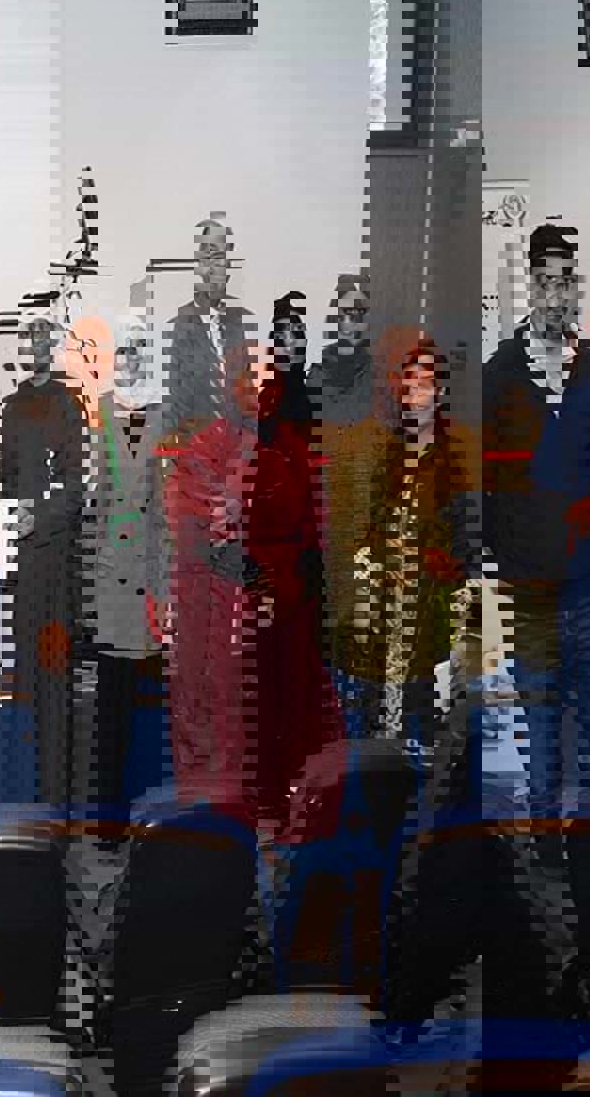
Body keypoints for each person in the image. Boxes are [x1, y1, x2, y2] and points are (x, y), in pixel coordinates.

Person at [481, 223, 590, 817]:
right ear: (529, 288)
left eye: (565, 283)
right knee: (541, 732)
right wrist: (503, 560)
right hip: (529, 585)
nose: (556, 295)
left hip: (587, 580)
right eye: (545, 283)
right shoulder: (500, 374)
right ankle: (544, 849)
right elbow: (483, 478)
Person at [165, 217, 258, 817]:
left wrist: (240, 476)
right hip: (193, 490)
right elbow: (176, 413)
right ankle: (194, 789)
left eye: (222, 255)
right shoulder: (179, 328)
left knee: (233, 655)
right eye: (206, 255)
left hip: (234, 483)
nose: (214, 265)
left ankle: (234, 788)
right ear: (195, 263)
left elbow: (249, 406)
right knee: (194, 655)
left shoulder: (242, 324)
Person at [245, 293, 342, 827]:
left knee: (307, 693)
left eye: (298, 336)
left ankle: (308, 796)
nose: (290, 344)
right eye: (282, 336)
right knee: (269, 692)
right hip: (270, 573)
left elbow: (328, 487)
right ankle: (270, 799)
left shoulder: (319, 402)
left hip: (310, 570)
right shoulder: (260, 409)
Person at [356, 337, 475, 758]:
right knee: (383, 692)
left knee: (425, 692)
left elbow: (465, 533)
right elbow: (373, 521)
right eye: (409, 381)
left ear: (440, 392)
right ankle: (386, 759)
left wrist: (448, 581)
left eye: (424, 382)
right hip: (388, 595)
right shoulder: (390, 453)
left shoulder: (454, 456)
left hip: (433, 597)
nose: (415, 390)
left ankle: (423, 760)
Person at [84, 308, 171, 841]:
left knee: (149, 716)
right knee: (109, 713)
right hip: (110, 586)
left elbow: (166, 513)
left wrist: (165, 593)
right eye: (125, 347)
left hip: (149, 589)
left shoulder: (163, 415)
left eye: (141, 346)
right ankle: (110, 822)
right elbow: (94, 507)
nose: (132, 356)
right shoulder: (101, 411)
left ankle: (151, 822)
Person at [0, 291, 87, 808]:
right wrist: (3, 520)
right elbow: (5, 481)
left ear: (52, 343)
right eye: (26, 334)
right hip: (23, 566)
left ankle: (58, 807)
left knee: (55, 685)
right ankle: (26, 806)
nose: (33, 343)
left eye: (41, 334)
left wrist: (39, 516)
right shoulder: (11, 408)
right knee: (24, 684)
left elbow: (76, 489)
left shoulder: (69, 405)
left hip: (57, 566)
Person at [311, 273, 393, 736]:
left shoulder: (383, 384)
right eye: (347, 311)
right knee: (326, 653)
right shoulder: (316, 378)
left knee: (368, 652)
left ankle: (368, 743)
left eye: (361, 312)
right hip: (325, 538)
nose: (353, 320)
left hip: (369, 539)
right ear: (335, 315)